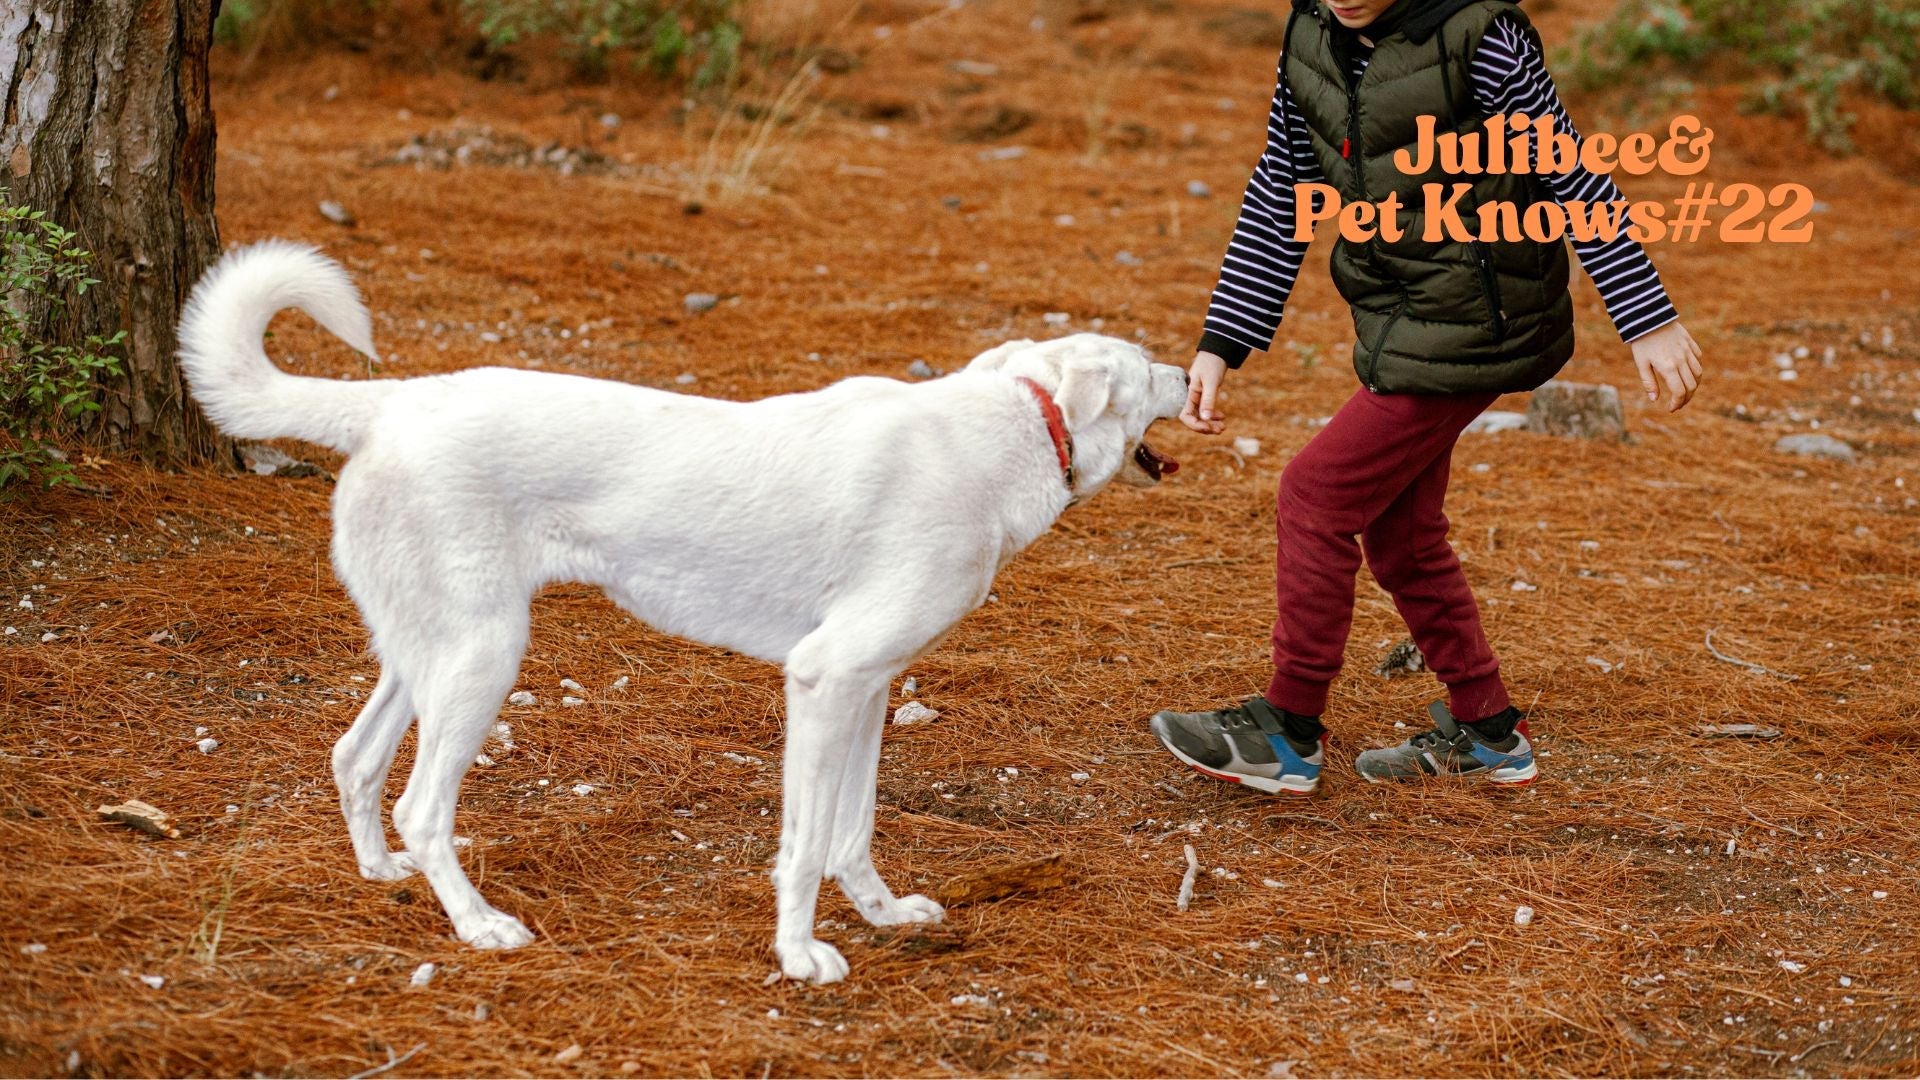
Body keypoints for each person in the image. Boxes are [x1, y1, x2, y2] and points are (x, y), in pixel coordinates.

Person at [1149, 0, 1703, 793]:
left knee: (1316, 493)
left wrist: (1645, 316)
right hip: (1403, 315)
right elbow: (1281, 187)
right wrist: (1222, 340)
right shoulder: (1312, 34)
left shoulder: (1480, 36)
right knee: (1402, 536)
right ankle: (1487, 733)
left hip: (1480, 317)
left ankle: (1288, 729)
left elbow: (1568, 167)